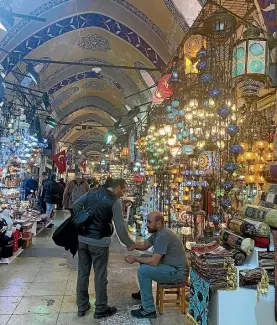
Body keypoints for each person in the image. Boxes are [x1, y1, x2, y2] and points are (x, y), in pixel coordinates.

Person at [73, 178, 134, 319]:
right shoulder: (115, 201)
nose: (123, 193)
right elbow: (120, 227)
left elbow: (76, 205)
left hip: (82, 238)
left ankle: (82, 306)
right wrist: (129, 243)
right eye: (123, 189)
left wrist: (85, 217)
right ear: (117, 187)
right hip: (99, 242)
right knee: (100, 275)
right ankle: (100, 308)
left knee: (83, 273)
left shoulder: (93, 191)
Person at [125, 211, 188, 319]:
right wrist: (134, 245)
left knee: (143, 270)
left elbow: (154, 261)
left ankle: (149, 310)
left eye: (149, 222)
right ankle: (143, 293)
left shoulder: (163, 235)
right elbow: (145, 245)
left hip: (177, 273)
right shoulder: (158, 233)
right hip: (170, 267)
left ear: (159, 223)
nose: (147, 225)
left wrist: (135, 258)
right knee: (144, 257)